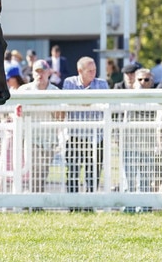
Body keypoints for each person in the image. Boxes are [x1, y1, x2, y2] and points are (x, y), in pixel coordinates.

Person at [62, 56, 109, 199]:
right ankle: (72, 203)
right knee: (72, 171)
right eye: (89, 70)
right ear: (79, 71)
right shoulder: (69, 82)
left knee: (94, 172)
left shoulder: (102, 84)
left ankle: (90, 203)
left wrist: (81, 102)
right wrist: (90, 102)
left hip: (97, 136)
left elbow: (107, 104)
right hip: (75, 135)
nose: (93, 73)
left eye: (94, 70)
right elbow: (67, 103)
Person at [18, 60, 63, 193]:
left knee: (43, 171)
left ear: (49, 72)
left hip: (49, 139)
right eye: (37, 71)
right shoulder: (24, 90)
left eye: (43, 71)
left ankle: (36, 200)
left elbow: (61, 116)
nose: (40, 74)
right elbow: (16, 112)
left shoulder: (56, 91)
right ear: (32, 73)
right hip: (31, 138)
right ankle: (34, 200)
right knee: (34, 169)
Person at [122, 68, 159, 212]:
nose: (143, 82)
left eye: (146, 80)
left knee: (145, 179)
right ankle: (128, 209)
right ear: (134, 81)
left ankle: (144, 208)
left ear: (152, 82)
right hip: (129, 144)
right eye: (140, 80)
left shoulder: (156, 98)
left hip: (148, 145)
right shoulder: (128, 96)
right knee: (128, 179)